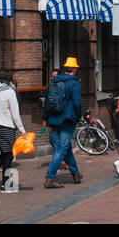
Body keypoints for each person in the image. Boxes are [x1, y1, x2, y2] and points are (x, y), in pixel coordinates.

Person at [43, 57, 83, 189]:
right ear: (74, 69)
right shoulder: (73, 83)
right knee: (61, 148)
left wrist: (47, 119)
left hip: (54, 119)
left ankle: (75, 173)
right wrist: (77, 117)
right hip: (67, 119)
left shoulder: (54, 81)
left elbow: (48, 102)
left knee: (67, 148)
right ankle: (50, 177)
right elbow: (77, 103)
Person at [0, 71, 24, 190]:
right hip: (7, 127)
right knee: (9, 154)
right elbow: (15, 114)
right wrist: (22, 130)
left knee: (4, 153)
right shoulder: (10, 92)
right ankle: (5, 183)